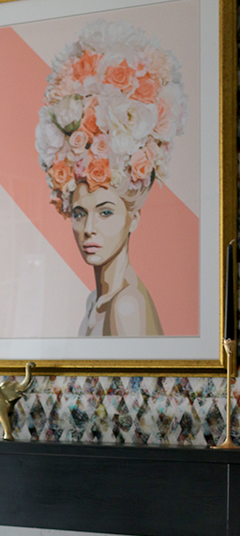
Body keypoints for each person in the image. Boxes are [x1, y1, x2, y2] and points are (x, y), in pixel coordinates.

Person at [35, 19, 188, 336]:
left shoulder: (126, 306)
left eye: (105, 212)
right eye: (80, 213)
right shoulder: (98, 300)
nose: (89, 229)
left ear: (133, 218)